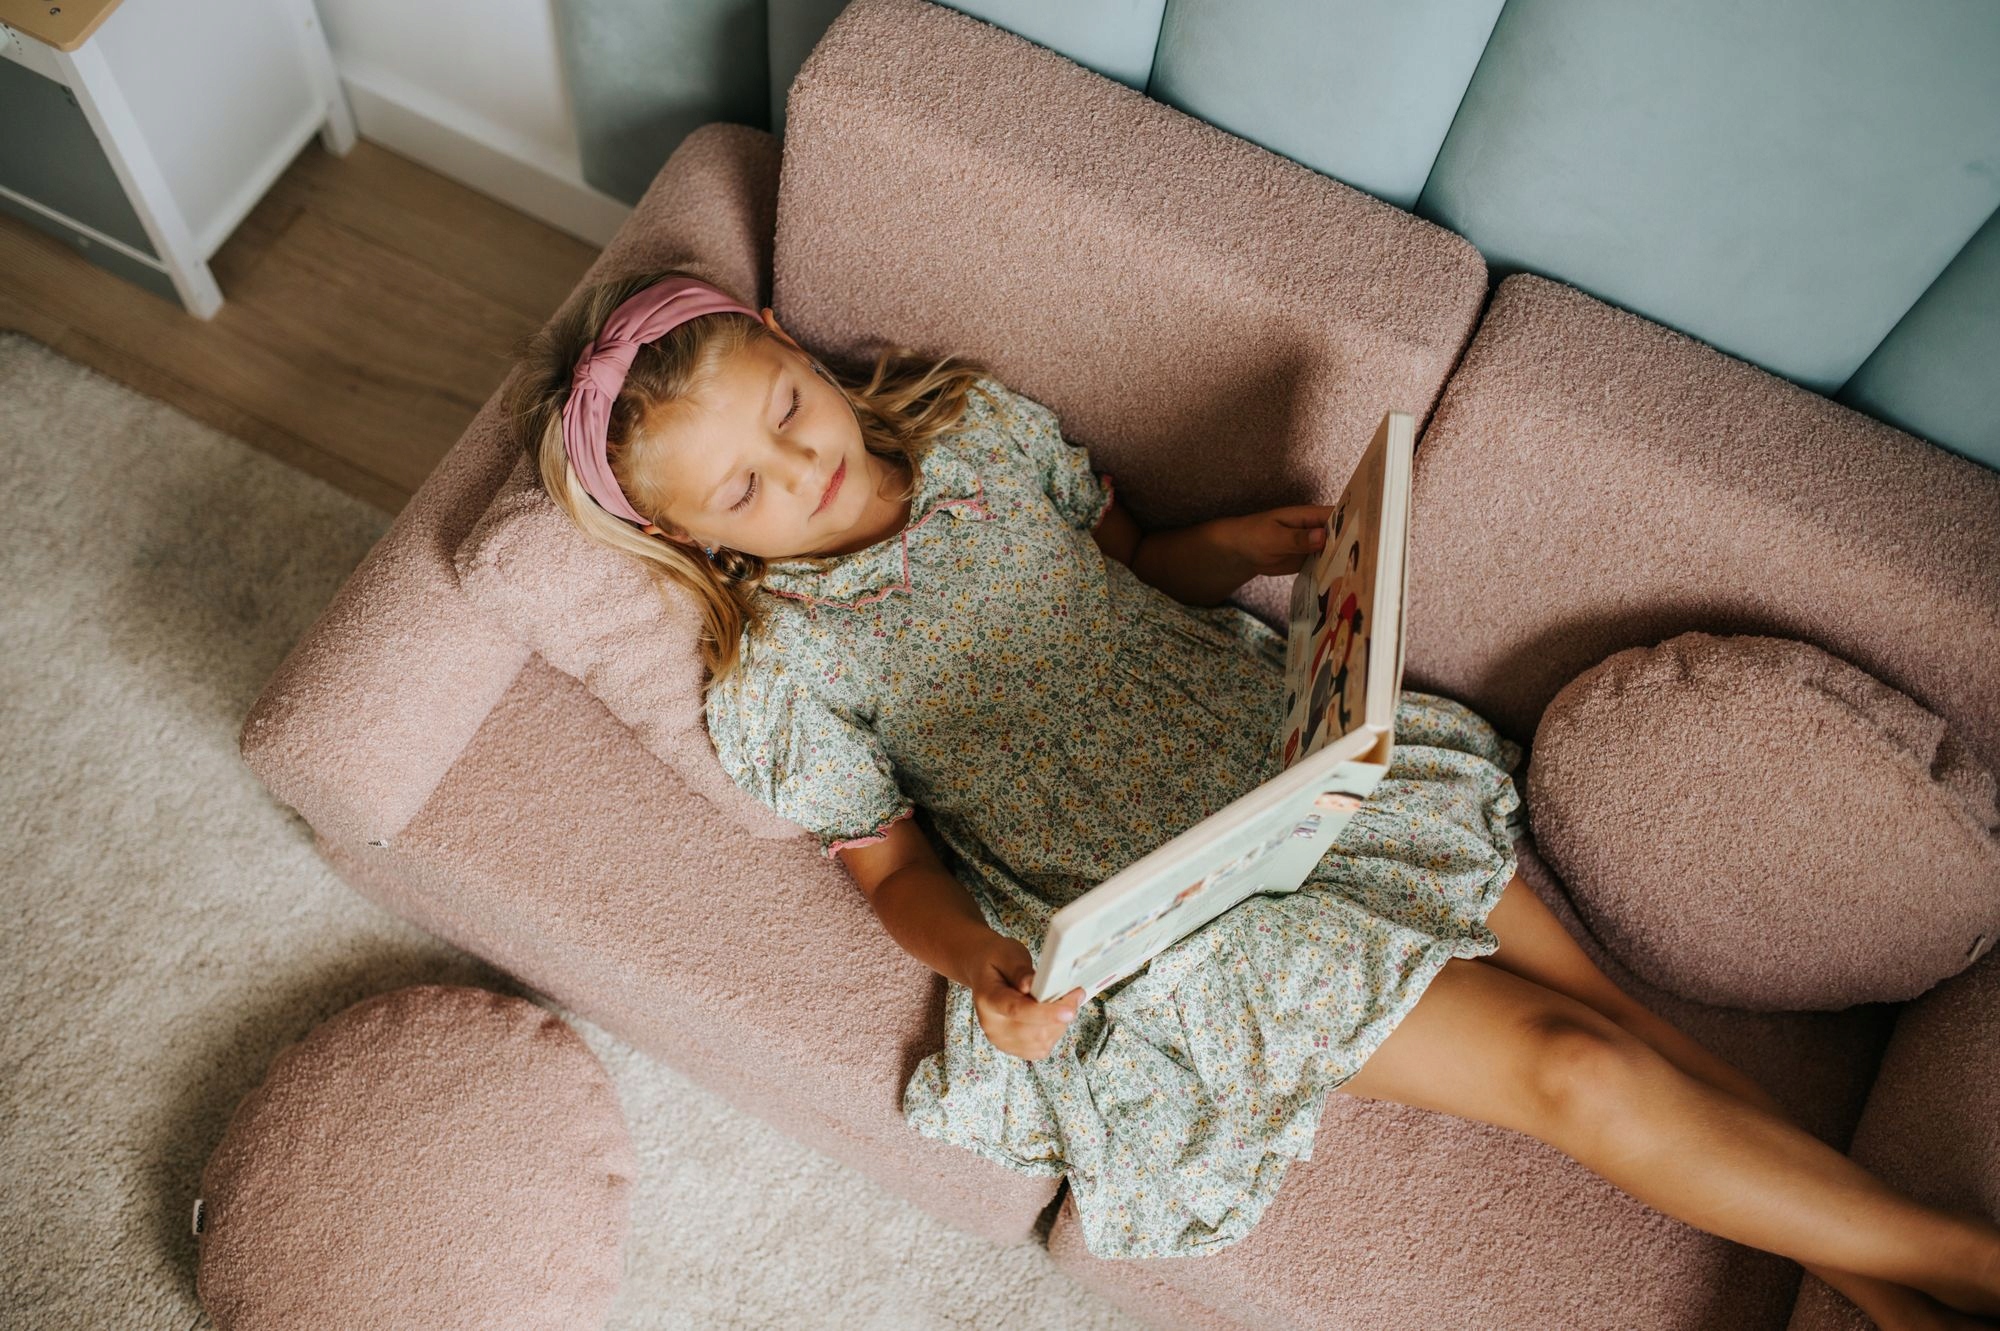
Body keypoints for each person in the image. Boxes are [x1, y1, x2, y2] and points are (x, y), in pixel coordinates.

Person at [506, 269, 2000, 1326]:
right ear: (701, 545)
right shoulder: (782, 673)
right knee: (1576, 1072)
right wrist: (992, 973)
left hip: (1294, 758)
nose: (796, 468)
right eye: (743, 492)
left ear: (789, 345)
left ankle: (1896, 1299)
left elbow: (1133, 565)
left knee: (1625, 1025)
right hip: (1180, 918)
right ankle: (1966, 1261)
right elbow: (896, 875)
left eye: (784, 410)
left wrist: (1250, 545)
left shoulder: (976, 434)